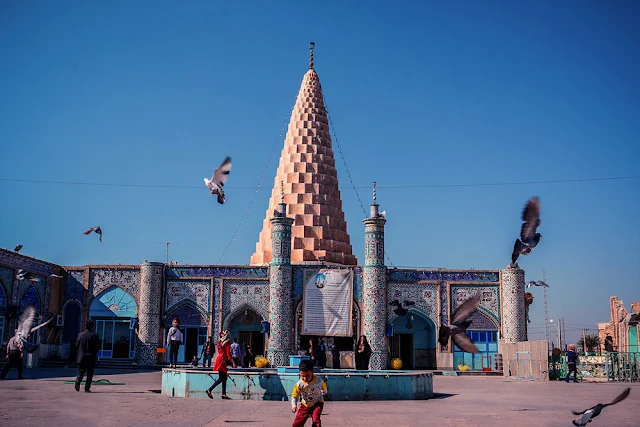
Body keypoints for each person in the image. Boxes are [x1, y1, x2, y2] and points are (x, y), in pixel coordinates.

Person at [291, 359, 327, 427]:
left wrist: (323, 393)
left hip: (317, 403)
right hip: (305, 405)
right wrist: (294, 406)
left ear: (312, 372)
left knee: (316, 420)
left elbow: (324, 389)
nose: (304, 378)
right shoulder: (299, 384)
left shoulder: (319, 382)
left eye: (307, 376)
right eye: (302, 376)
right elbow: (294, 396)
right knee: (297, 423)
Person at [206, 330, 236, 400]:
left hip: (219, 358)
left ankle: (223, 394)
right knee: (222, 378)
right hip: (222, 360)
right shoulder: (227, 343)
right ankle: (209, 390)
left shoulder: (220, 343)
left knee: (224, 377)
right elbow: (228, 353)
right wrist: (233, 362)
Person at [75, 320, 101, 392]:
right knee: (90, 373)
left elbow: (77, 346)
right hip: (91, 357)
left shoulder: (80, 335)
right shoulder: (95, 335)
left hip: (82, 357)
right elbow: (98, 346)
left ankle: (77, 382)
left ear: (85, 326)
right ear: (93, 326)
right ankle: (87, 388)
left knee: (81, 371)